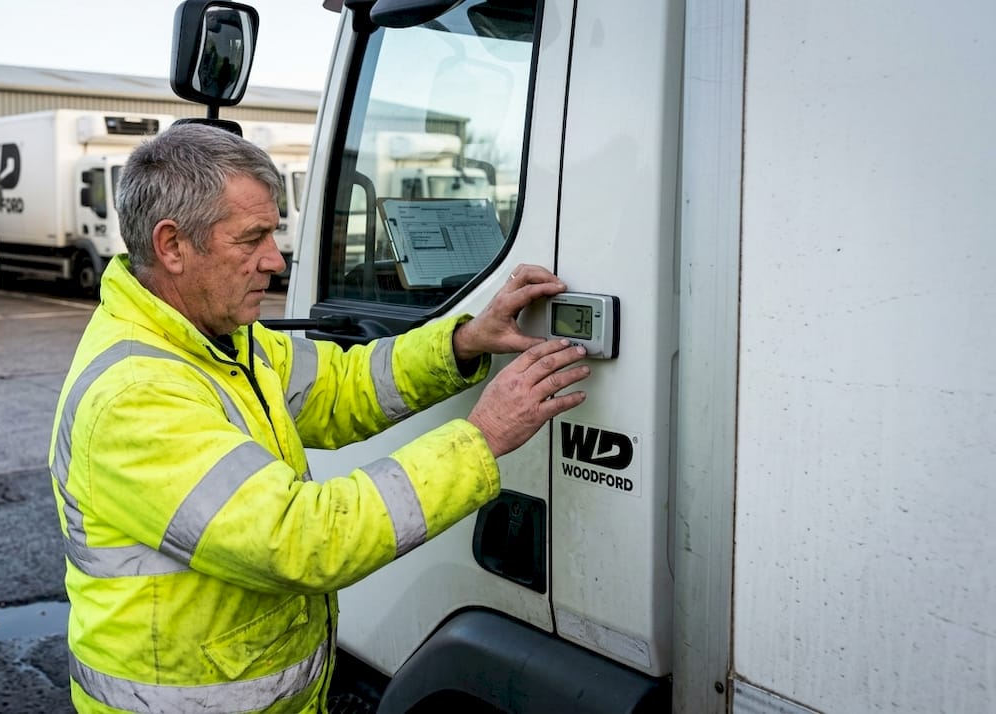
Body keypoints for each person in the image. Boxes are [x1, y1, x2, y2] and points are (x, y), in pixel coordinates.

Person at [48, 122, 592, 714]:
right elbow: (302, 540)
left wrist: (462, 343)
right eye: (251, 239)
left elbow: (343, 387)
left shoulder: (224, 340)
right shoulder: (136, 395)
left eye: (273, 234)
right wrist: (481, 437)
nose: (275, 260)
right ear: (173, 246)